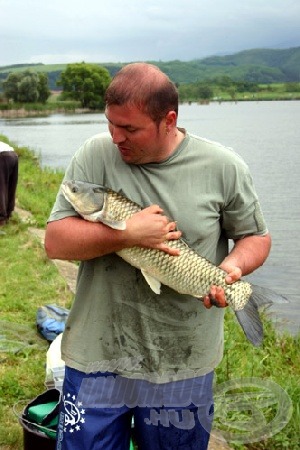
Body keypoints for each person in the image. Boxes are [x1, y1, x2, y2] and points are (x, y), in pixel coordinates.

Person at [45, 63, 271, 450]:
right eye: (111, 124)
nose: (116, 137)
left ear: (169, 120)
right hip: (97, 354)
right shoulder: (94, 154)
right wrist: (127, 234)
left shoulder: (223, 166)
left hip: (182, 360)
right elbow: (56, 242)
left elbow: (255, 237)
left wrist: (231, 271)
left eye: (130, 129)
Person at [0, 141, 18, 227]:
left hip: (2, 156)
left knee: (1, 187)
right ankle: (8, 213)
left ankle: (1, 218)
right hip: (13, 155)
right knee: (11, 186)